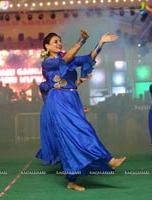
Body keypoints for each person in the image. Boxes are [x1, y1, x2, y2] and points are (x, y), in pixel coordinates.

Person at [40, 30, 126, 191]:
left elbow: (88, 58)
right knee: (84, 130)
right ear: (47, 46)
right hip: (59, 100)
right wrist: (81, 40)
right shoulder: (48, 63)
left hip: (73, 99)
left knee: (73, 139)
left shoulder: (69, 60)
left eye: (60, 40)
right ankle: (109, 159)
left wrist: (100, 43)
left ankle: (71, 180)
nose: (59, 43)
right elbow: (65, 59)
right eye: (55, 41)